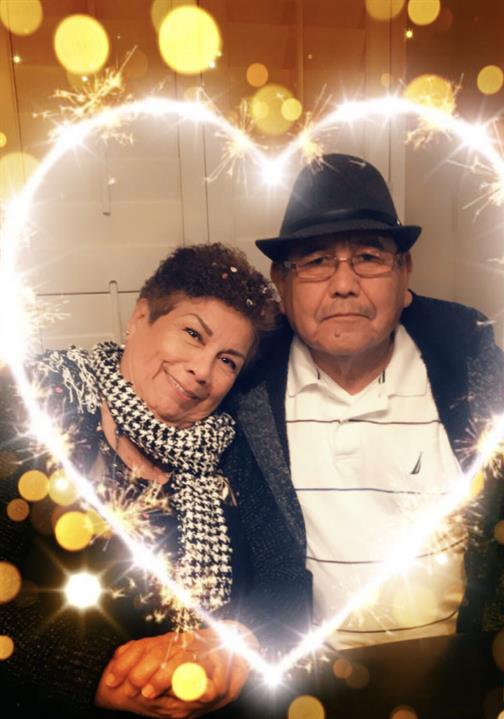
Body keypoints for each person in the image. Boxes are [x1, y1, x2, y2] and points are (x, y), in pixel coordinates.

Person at [225, 153, 504, 651]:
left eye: (369, 257)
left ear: (403, 274)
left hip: (457, 668)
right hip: (302, 679)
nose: (344, 284)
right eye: (316, 261)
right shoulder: (242, 384)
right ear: (281, 284)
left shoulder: (470, 365)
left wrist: (497, 643)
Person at [0, 243, 311, 717]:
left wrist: (235, 642)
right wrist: (97, 677)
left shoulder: (232, 448)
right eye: (192, 334)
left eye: (228, 360)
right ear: (140, 316)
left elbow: (287, 585)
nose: (203, 371)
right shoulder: (37, 411)